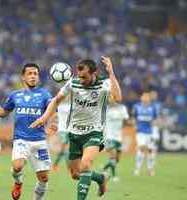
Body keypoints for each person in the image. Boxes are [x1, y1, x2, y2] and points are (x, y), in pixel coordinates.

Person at [30, 57, 122, 200]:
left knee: (85, 165)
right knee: (75, 174)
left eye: (84, 77)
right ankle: (100, 178)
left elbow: (118, 97)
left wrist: (111, 73)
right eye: (79, 76)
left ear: (93, 73)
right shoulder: (73, 82)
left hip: (94, 132)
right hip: (74, 133)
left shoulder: (105, 83)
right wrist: (44, 118)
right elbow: (56, 100)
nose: (81, 80)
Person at [0, 63, 52, 200]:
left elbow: (53, 111)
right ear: (23, 77)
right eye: (30, 73)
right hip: (21, 139)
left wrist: (55, 123)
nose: (33, 76)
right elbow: (3, 112)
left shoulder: (45, 94)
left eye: (35, 74)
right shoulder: (15, 95)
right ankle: (18, 182)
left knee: (43, 178)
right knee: (17, 166)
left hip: (39, 140)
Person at [102, 94, 129, 181]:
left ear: (115, 98)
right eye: (108, 98)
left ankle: (104, 169)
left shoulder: (122, 108)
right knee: (113, 155)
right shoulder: (105, 109)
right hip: (108, 135)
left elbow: (126, 119)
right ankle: (114, 176)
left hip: (118, 136)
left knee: (117, 158)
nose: (109, 99)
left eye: (110, 97)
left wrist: (131, 123)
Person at [132, 92, 158, 176]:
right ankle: (137, 169)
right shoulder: (136, 106)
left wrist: (154, 126)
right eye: (144, 98)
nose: (145, 99)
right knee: (141, 148)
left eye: (147, 98)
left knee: (150, 150)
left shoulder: (153, 107)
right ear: (141, 99)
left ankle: (150, 169)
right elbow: (134, 117)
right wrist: (135, 125)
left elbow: (155, 119)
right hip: (140, 131)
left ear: (149, 99)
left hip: (150, 132)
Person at [51, 97, 70, 172]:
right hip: (62, 130)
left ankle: (54, 165)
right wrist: (55, 124)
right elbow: (54, 116)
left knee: (63, 149)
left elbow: (54, 116)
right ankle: (69, 168)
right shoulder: (65, 106)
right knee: (66, 148)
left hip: (68, 130)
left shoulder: (60, 106)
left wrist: (53, 123)